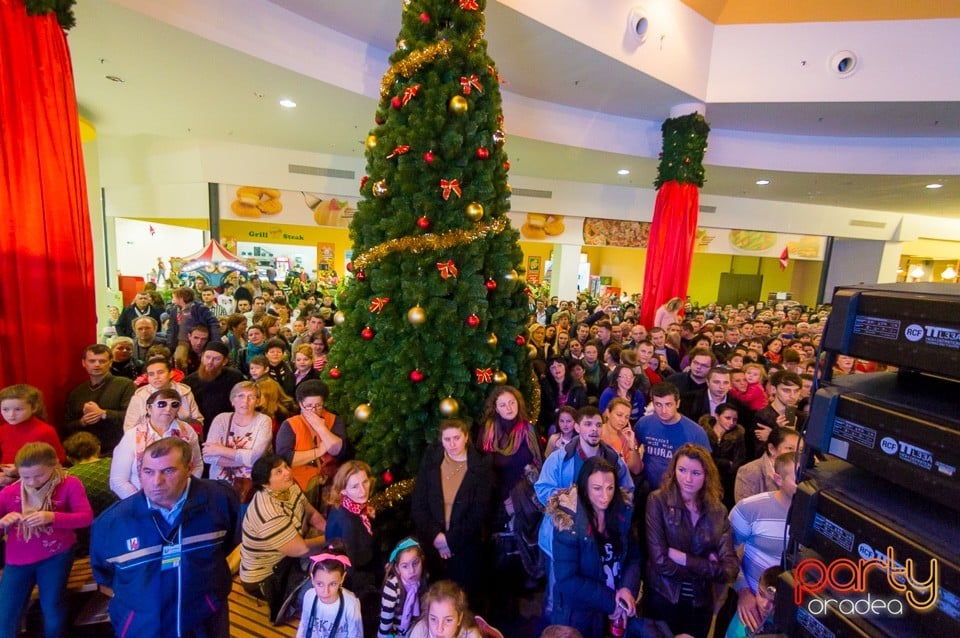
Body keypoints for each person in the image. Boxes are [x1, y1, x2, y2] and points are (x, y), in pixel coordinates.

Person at [91, 438, 240, 638]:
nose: (156, 482)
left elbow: (228, 544)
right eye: (148, 472)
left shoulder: (220, 500)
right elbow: (106, 578)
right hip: (143, 629)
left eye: (169, 471)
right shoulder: (111, 523)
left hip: (205, 623)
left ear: (189, 468)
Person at [535, 407, 634, 616]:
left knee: (594, 586)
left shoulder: (613, 459)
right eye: (588, 424)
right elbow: (542, 488)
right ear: (577, 427)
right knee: (560, 590)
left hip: (599, 540)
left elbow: (628, 490)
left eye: (598, 424)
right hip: (564, 538)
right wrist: (570, 500)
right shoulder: (560, 458)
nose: (594, 430)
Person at [0, 442, 94, 638]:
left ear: (55, 466)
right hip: (18, 560)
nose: (33, 482)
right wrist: (2, 523)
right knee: (7, 611)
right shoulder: (9, 492)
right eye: (26, 477)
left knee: (52, 605)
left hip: (56, 556)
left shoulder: (70, 484)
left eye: (39, 475)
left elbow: (86, 517)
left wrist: (52, 517)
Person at [645, 444, 739, 637]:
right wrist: (708, 568)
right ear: (673, 471)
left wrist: (685, 559)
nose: (688, 479)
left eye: (696, 473)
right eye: (682, 470)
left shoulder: (718, 510)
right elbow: (661, 561)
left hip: (700, 604)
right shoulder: (658, 501)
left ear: (707, 475)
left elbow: (730, 570)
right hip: (663, 598)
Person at [547, 457, 641, 638]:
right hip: (579, 616)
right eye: (597, 488)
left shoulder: (621, 512)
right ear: (584, 487)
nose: (605, 496)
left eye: (610, 488)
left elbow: (633, 557)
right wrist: (610, 602)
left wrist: (627, 589)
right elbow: (567, 579)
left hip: (614, 612)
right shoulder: (569, 524)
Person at [412, 419, 493, 602]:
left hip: (465, 545)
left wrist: (450, 541)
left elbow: (480, 510)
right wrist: (437, 537)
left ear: (466, 437)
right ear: (441, 440)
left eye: (456, 438)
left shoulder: (480, 464)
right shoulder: (432, 458)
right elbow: (419, 503)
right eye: (447, 439)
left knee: (464, 600)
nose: (452, 444)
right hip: (433, 545)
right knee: (435, 598)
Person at [240, 454, 328, 620]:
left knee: (329, 570)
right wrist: (332, 537)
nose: (287, 472)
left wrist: (328, 529)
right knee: (324, 587)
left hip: (287, 557)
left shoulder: (288, 487)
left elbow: (309, 512)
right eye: (278, 471)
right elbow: (300, 548)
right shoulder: (268, 512)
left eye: (286, 467)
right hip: (267, 577)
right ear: (266, 484)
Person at [728, 452, 796, 635]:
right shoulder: (750, 508)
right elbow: (726, 554)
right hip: (755, 608)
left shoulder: (822, 518)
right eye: (799, 478)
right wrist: (743, 591)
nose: (806, 485)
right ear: (778, 479)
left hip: (797, 613)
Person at [110, 387, 203, 499]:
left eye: (174, 405)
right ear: (149, 408)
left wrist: (186, 493)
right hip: (141, 502)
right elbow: (117, 480)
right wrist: (142, 504)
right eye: (161, 404)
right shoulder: (132, 435)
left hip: (182, 499)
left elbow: (197, 465)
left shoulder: (187, 430)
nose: (168, 409)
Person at [325, 460, 381, 635]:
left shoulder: (350, 507)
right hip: (357, 589)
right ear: (343, 490)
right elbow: (350, 568)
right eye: (355, 486)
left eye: (365, 482)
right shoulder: (348, 522)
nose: (363, 490)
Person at [276, 380, 347, 504]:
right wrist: (319, 451)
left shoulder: (334, 420)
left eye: (318, 405)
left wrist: (321, 428)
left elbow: (338, 451)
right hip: (299, 484)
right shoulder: (290, 424)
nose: (313, 410)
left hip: (330, 481)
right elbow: (286, 458)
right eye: (308, 406)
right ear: (300, 404)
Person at [475, 385, 543, 516]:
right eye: (503, 405)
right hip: (497, 497)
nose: (509, 408)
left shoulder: (529, 429)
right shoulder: (487, 431)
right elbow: (482, 468)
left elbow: (540, 462)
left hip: (526, 494)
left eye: (512, 402)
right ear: (496, 409)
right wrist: (507, 500)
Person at [634, 383, 711, 492]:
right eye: (658, 405)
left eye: (668, 404)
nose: (663, 410)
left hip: (680, 491)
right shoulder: (643, 424)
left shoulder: (696, 432)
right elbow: (632, 451)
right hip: (648, 488)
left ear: (678, 403)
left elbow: (707, 468)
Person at [202, 381, 273, 501]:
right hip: (219, 486)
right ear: (232, 400)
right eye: (240, 396)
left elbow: (255, 458)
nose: (245, 401)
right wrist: (246, 460)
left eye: (251, 396)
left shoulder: (264, 421)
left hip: (251, 489)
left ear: (257, 401)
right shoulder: (221, 419)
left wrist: (220, 450)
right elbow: (208, 457)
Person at [1, 385, 65, 488]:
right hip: (6, 484)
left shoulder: (45, 431)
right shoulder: (3, 430)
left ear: (34, 407)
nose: (11, 414)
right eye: (5, 409)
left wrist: (20, 471)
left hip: (34, 484)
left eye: (18, 409)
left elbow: (58, 460)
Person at [296, 542, 364, 638]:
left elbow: (356, 635)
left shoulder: (351, 603)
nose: (325, 592)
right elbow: (304, 625)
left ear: (342, 578)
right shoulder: (309, 596)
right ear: (312, 577)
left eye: (333, 584)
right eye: (320, 584)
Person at [182, 341, 246, 437]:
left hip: (228, 428)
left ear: (224, 362)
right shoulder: (189, 381)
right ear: (202, 356)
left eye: (216, 359)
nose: (210, 362)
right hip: (200, 430)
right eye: (207, 357)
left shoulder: (235, 377)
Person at [123, 356, 203, 432]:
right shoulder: (140, 397)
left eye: (160, 372)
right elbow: (129, 427)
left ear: (171, 373)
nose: (156, 377)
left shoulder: (184, 392)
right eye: (151, 374)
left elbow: (198, 421)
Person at [377, 538, 429, 638]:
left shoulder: (424, 581)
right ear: (397, 568)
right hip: (395, 634)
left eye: (415, 563)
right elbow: (385, 622)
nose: (412, 571)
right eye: (405, 566)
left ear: (422, 560)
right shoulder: (392, 586)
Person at [698, 403, 746, 509]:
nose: (731, 422)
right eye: (727, 418)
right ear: (716, 416)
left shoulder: (738, 437)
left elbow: (738, 462)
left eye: (734, 419)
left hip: (726, 485)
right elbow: (702, 457)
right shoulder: (702, 433)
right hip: (704, 481)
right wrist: (726, 463)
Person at [733, 427, 799, 503]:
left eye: (800, 450)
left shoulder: (802, 472)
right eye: (790, 448)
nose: (796, 454)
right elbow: (745, 510)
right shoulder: (750, 471)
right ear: (772, 449)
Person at [750, 371, 803, 459]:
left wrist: (771, 434)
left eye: (796, 391)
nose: (792, 396)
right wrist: (777, 433)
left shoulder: (802, 417)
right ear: (774, 389)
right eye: (786, 390)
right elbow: (759, 453)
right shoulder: (762, 416)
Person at [167, 287, 222, 371]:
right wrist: (170, 344)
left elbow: (213, 323)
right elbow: (171, 328)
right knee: (179, 360)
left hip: (200, 339)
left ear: (181, 298)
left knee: (204, 362)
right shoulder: (174, 310)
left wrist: (215, 342)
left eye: (174, 297)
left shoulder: (199, 308)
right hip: (183, 341)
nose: (172, 299)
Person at [407, 580, 483, 638]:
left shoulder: (470, 635)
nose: (439, 629)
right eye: (433, 619)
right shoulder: (420, 631)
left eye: (448, 620)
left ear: (459, 618)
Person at [724, 566, 781, 638]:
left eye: (773, 601)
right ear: (757, 588)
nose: (765, 605)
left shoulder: (790, 624)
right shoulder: (744, 614)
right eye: (761, 594)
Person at [539, 357, 588, 437]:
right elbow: (543, 411)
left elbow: (583, 409)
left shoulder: (577, 386)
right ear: (549, 370)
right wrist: (557, 418)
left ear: (565, 367)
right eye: (553, 367)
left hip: (574, 423)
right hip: (554, 423)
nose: (557, 369)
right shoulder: (544, 387)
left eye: (559, 365)